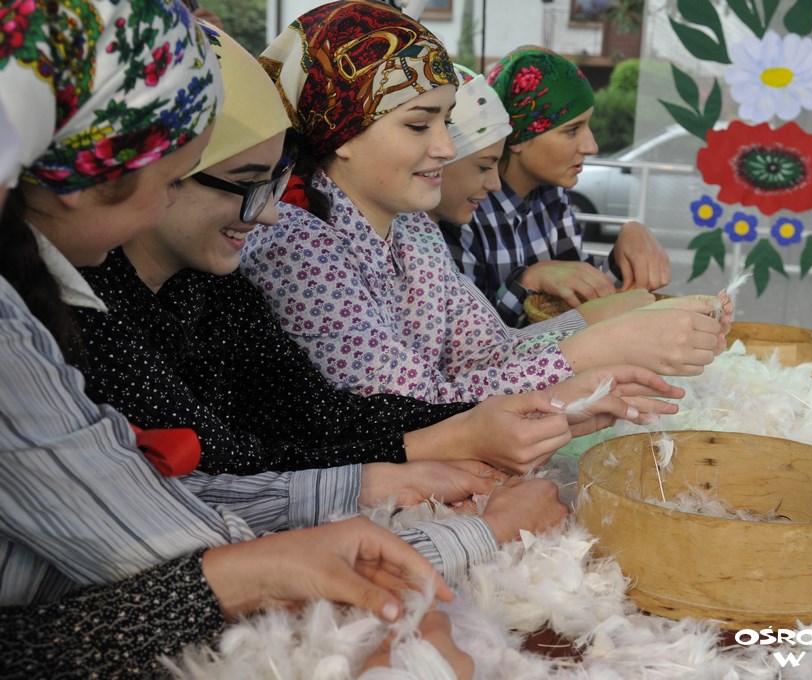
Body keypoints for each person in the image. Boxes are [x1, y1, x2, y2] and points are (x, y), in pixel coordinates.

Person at [0, 4, 468, 675]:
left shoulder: (202, 286)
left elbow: (229, 478)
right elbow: (170, 540)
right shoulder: (61, 312)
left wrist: (413, 463)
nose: (270, 214)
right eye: (172, 178)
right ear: (96, 171)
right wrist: (457, 528)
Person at [241, 0, 728, 405]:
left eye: (446, 122)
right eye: (419, 124)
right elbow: (413, 408)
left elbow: (490, 356)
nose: (446, 148)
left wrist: (623, 321)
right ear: (342, 132)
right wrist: (596, 347)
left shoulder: (414, 229)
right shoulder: (296, 247)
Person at [447, 46, 672, 329]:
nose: (592, 146)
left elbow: (577, 303)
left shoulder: (551, 196)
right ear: (518, 137)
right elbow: (466, 339)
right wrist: (527, 281)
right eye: (572, 130)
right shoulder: (463, 206)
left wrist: (626, 247)